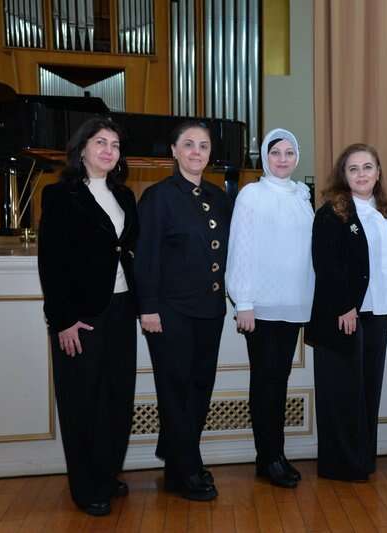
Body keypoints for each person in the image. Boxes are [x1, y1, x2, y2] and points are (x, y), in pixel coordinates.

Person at [37, 116, 138, 516]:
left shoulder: (124, 195)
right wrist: (62, 319)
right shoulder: (60, 195)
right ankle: (85, 485)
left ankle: (106, 473)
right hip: (80, 316)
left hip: (121, 309)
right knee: (82, 401)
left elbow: (128, 251)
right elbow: (51, 263)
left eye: (115, 144)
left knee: (117, 397)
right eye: (100, 142)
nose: (109, 150)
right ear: (82, 149)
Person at [134, 120, 231, 501]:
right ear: (173, 151)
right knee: (175, 391)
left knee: (199, 388)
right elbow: (146, 255)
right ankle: (187, 467)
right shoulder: (158, 196)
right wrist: (148, 308)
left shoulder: (218, 196)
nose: (196, 152)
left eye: (203, 146)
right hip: (170, 311)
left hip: (210, 309)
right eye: (188, 144)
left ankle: (180, 462)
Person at [226, 128, 314, 488]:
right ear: (265, 156)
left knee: (279, 381)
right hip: (260, 307)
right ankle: (268, 458)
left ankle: (276, 455)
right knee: (265, 383)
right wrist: (243, 301)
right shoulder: (252, 194)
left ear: (297, 157)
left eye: (289, 152)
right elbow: (241, 248)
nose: (282, 159)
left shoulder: (302, 195)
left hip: (293, 304)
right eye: (275, 152)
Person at [308, 143, 387, 481]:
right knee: (342, 392)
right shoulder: (332, 213)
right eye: (353, 169)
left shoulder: (386, 212)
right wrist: (344, 305)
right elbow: (326, 264)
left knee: (367, 390)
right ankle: (341, 464)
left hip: (379, 312)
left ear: (378, 172)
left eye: (367, 167)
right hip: (345, 314)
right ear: (343, 176)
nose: (361, 174)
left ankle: (363, 459)